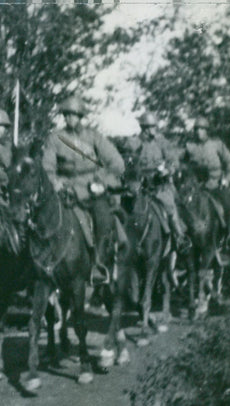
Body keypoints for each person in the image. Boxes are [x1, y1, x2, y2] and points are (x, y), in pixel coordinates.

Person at [41, 96, 125, 285]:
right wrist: (55, 182)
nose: (70, 118)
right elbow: (47, 166)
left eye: (74, 114)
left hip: (91, 189)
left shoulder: (94, 137)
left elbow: (117, 163)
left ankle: (98, 264)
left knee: (103, 219)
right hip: (65, 188)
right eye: (66, 114)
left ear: (81, 116)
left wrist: (101, 180)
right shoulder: (55, 138)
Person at [125, 112, 189, 249]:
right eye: (151, 126)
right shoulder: (133, 143)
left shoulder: (161, 142)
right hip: (140, 186)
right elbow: (128, 162)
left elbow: (173, 161)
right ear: (144, 128)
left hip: (159, 186)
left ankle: (179, 237)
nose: (154, 129)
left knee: (170, 206)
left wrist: (168, 170)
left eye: (154, 126)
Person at [183, 116, 230, 240]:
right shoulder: (190, 147)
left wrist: (227, 179)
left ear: (207, 131)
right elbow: (182, 164)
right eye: (196, 129)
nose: (198, 132)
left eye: (201, 129)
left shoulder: (217, 145)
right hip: (197, 186)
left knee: (227, 203)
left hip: (216, 184)